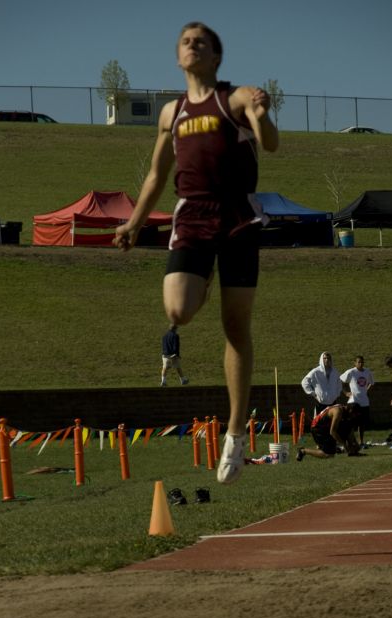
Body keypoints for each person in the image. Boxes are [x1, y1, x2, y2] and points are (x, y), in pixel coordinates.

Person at [113, 21, 278, 484]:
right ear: (178, 55)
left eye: (200, 42)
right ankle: (202, 277)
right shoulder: (172, 113)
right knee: (178, 311)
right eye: (185, 41)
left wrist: (262, 117)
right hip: (193, 217)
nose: (191, 46)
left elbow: (272, 144)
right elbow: (155, 177)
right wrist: (134, 222)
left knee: (235, 325)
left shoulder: (238, 99)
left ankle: (234, 434)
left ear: (215, 56)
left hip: (239, 217)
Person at [296, 403, 362, 461]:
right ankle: (303, 451)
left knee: (348, 426)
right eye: (354, 414)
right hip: (317, 428)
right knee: (328, 454)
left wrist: (355, 443)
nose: (354, 416)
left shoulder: (344, 410)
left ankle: (352, 451)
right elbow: (333, 431)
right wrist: (344, 444)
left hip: (326, 427)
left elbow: (348, 430)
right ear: (350, 410)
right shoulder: (338, 412)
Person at [340, 355, 374, 446]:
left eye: (362, 362)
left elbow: (372, 383)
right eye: (358, 362)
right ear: (354, 363)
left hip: (364, 401)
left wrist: (366, 390)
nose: (361, 364)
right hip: (353, 401)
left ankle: (361, 441)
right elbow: (340, 381)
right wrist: (346, 393)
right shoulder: (351, 372)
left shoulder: (367, 372)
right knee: (351, 423)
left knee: (362, 424)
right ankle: (350, 441)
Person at [301, 352, 342, 416]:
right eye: (324, 358)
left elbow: (339, 383)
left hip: (333, 403)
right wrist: (313, 394)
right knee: (319, 423)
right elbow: (304, 382)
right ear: (321, 359)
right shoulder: (316, 371)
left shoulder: (335, 371)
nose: (327, 360)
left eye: (328, 358)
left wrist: (336, 394)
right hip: (320, 403)